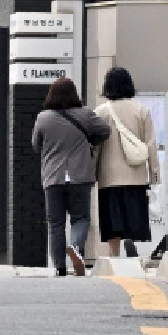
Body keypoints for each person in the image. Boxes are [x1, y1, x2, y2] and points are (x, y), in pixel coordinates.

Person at [30, 75, 110, 277]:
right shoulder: (85, 114)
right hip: (80, 176)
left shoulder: (43, 118)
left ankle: (59, 267)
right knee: (81, 218)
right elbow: (105, 131)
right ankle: (75, 248)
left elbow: (35, 145)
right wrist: (90, 141)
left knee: (55, 223)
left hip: (53, 178)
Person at [93, 66, 158, 258]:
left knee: (112, 219)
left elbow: (96, 147)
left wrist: (93, 173)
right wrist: (154, 174)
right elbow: (151, 144)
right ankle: (131, 243)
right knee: (133, 216)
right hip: (136, 175)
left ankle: (115, 255)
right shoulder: (142, 110)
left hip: (109, 176)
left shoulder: (100, 112)